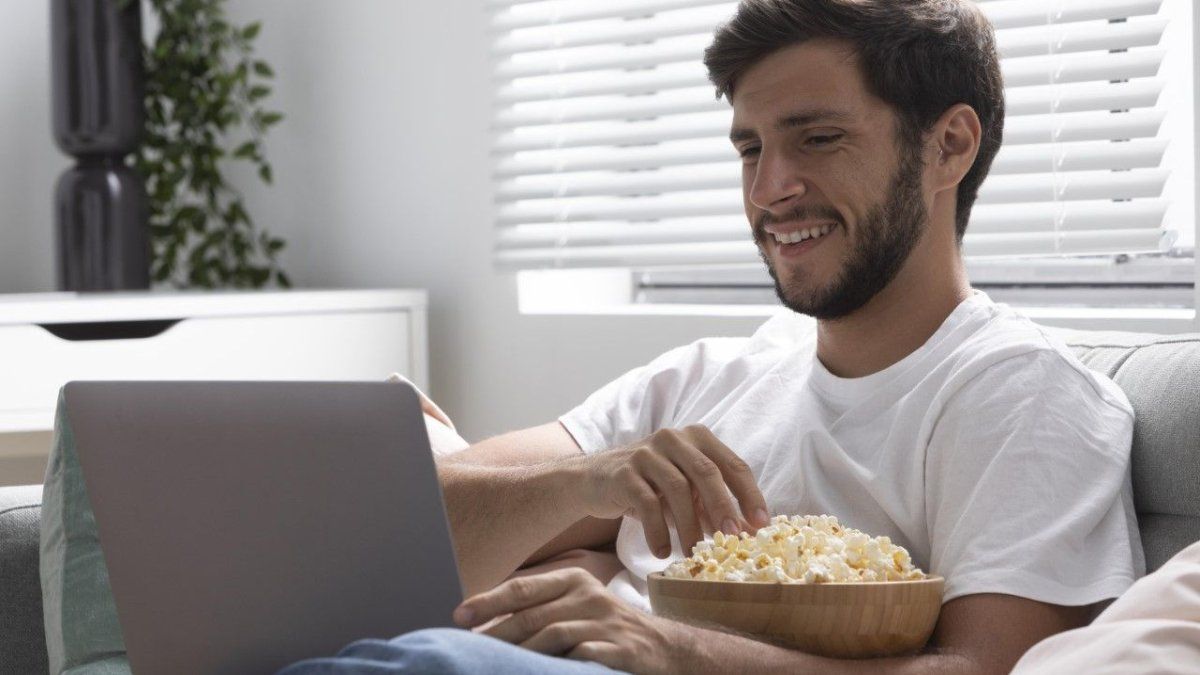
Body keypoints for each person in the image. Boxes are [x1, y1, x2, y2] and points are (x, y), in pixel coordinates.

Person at [280, 1, 1144, 672]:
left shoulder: (1024, 394)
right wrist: (587, 481)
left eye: (818, 138)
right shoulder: (708, 377)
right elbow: (395, 535)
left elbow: (988, 668)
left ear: (948, 146)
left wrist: (672, 648)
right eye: (749, 149)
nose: (769, 189)